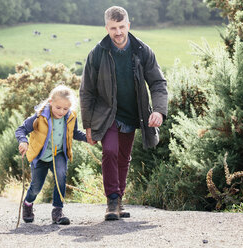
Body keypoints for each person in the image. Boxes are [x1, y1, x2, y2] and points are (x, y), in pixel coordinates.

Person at [80, 6, 168, 221]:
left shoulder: (142, 51)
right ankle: (111, 201)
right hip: (106, 114)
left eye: (121, 27)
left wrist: (158, 110)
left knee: (123, 157)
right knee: (109, 151)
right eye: (113, 28)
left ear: (128, 25)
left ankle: (119, 200)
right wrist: (88, 125)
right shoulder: (98, 53)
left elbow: (157, 83)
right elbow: (87, 91)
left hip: (132, 114)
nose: (118, 32)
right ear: (106, 28)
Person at [15, 84, 87, 225]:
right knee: (36, 186)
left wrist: (87, 138)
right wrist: (23, 141)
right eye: (58, 108)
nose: (61, 111)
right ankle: (28, 204)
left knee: (61, 176)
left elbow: (75, 133)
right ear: (50, 103)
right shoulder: (40, 116)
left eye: (65, 109)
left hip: (59, 154)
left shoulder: (71, 116)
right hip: (40, 156)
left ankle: (57, 210)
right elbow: (21, 129)